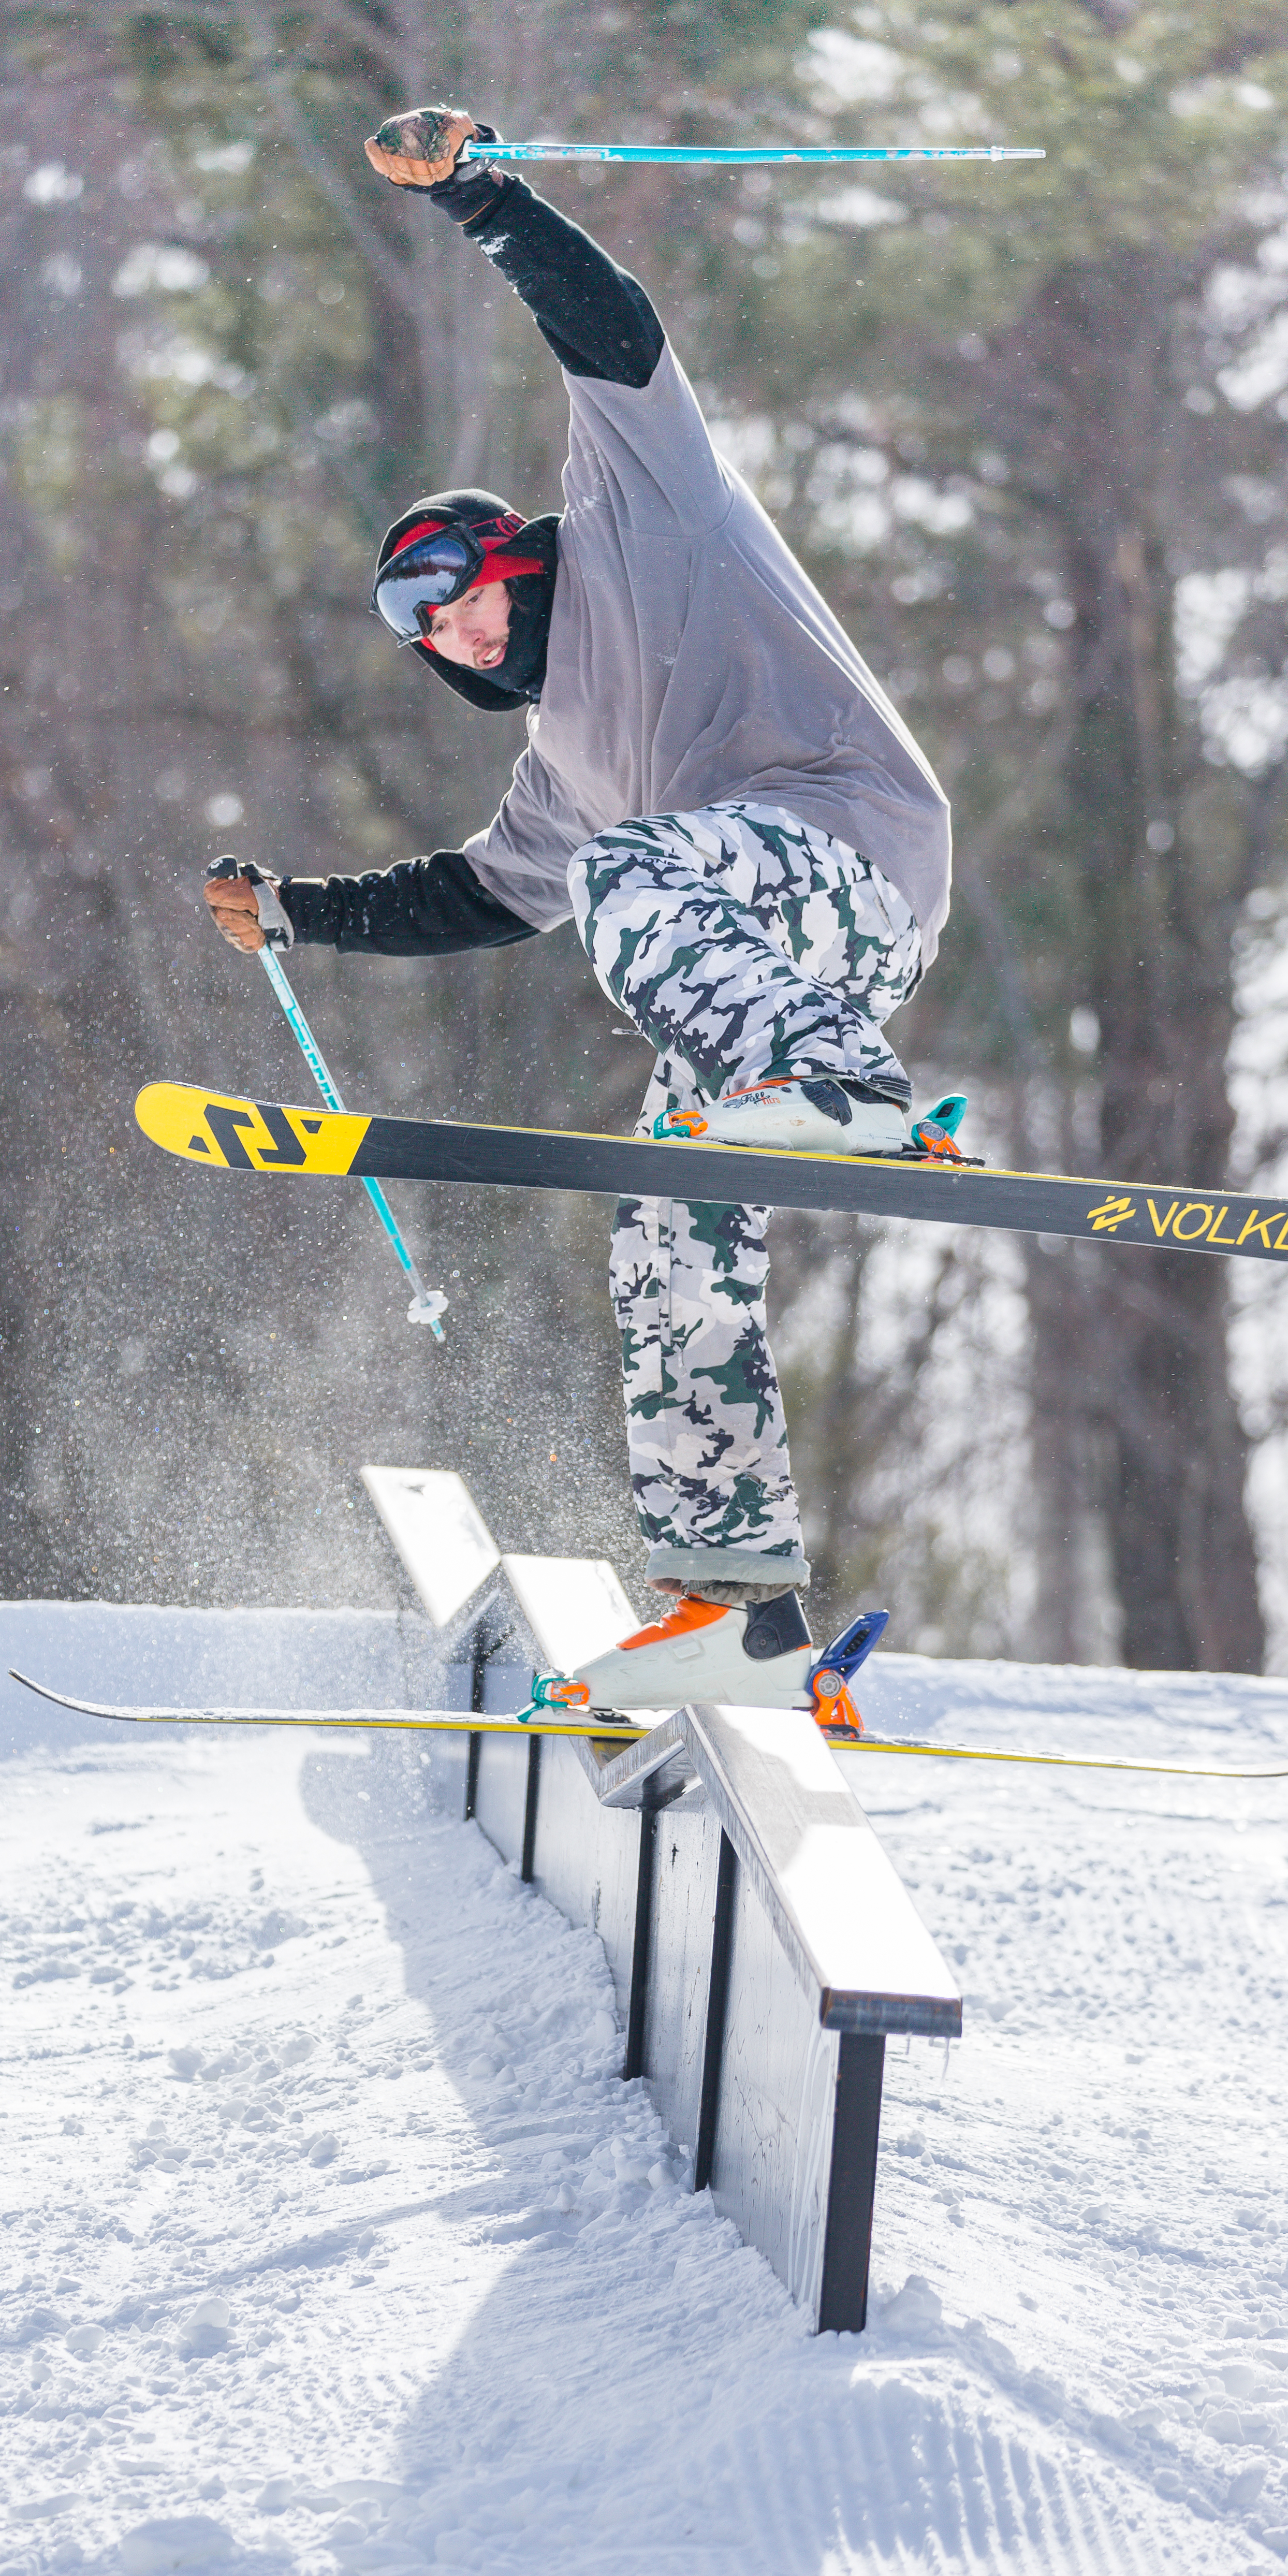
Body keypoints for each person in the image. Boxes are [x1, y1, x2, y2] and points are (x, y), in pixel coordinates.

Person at [204, 106, 957, 1710]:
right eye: (413, 629)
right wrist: (301, 915)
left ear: (503, 553)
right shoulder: (567, 772)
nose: (442, 633)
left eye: (445, 587)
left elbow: (605, 330)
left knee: (640, 872)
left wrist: (484, 196)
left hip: (852, 848)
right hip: (757, 948)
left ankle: (837, 1091)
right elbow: (478, 895)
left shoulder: (636, 515)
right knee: (664, 1218)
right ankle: (736, 1595)